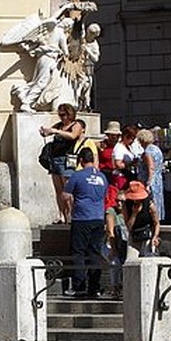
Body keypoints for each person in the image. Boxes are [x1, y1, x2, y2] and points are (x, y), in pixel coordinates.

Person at [64, 148, 108, 298]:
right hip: (98, 218)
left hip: (81, 218)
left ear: (81, 160)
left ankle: (79, 286)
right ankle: (95, 287)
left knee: (78, 253)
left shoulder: (77, 176)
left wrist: (69, 211)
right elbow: (105, 195)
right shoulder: (102, 177)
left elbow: (66, 196)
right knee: (95, 253)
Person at [38, 104, 85, 223]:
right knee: (58, 190)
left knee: (68, 189)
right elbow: (50, 132)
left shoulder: (76, 124)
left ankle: (72, 213)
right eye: (60, 115)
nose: (61, 117)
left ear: (69, 114)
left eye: (63, 115)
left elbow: (73, 135)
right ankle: (62, 215)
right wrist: (46, 131)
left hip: (67, 159)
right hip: (55, 159)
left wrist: (55, 131)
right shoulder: (59, 126)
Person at [123, 180, 160, 259]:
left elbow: (156, 223)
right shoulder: (126, 205)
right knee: (131, 259)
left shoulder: (150, 205)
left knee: (148, 258)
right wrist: (134, 214)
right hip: (134, 234)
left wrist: (155, 236)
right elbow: (128, 226)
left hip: (147, 233)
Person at [137, 128, 165, 221]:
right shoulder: (157, 149)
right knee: (157, 202)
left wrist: (148, 183)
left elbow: (150, 167)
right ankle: (158, 221)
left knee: (150, 204)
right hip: (158, 180)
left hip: (150, 181)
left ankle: (153, 222)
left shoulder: (147, 152)